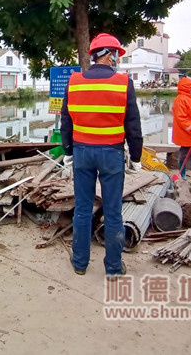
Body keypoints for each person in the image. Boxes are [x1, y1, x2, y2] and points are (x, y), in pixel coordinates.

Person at [61, 33, 143, 278]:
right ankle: (114, 267)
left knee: (83, 210)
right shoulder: (123, 82)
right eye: (116, 53)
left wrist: (67, 151)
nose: (117, 58)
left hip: (82, 151)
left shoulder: (74, 81)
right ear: (109, 54)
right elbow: (133, 124)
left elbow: (66, 120)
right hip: (111, 153)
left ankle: (80, 263)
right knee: (113, 211)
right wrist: (136, 157)